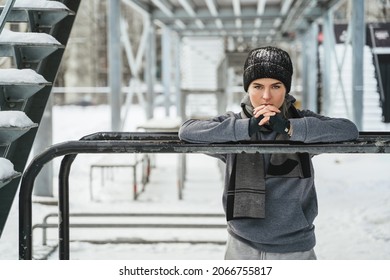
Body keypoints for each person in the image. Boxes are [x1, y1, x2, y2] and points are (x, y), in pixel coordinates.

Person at [178, 46, 359, 260]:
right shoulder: (234, 125)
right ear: (247, 88)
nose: (266, 96)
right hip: (242, 246)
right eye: (257, 86)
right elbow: (187, 131)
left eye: (276, 86)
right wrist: (246, 128)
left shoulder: (301, 123)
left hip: (296, 247)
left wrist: (290, 128)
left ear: (286, 89)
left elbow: (348, 129)